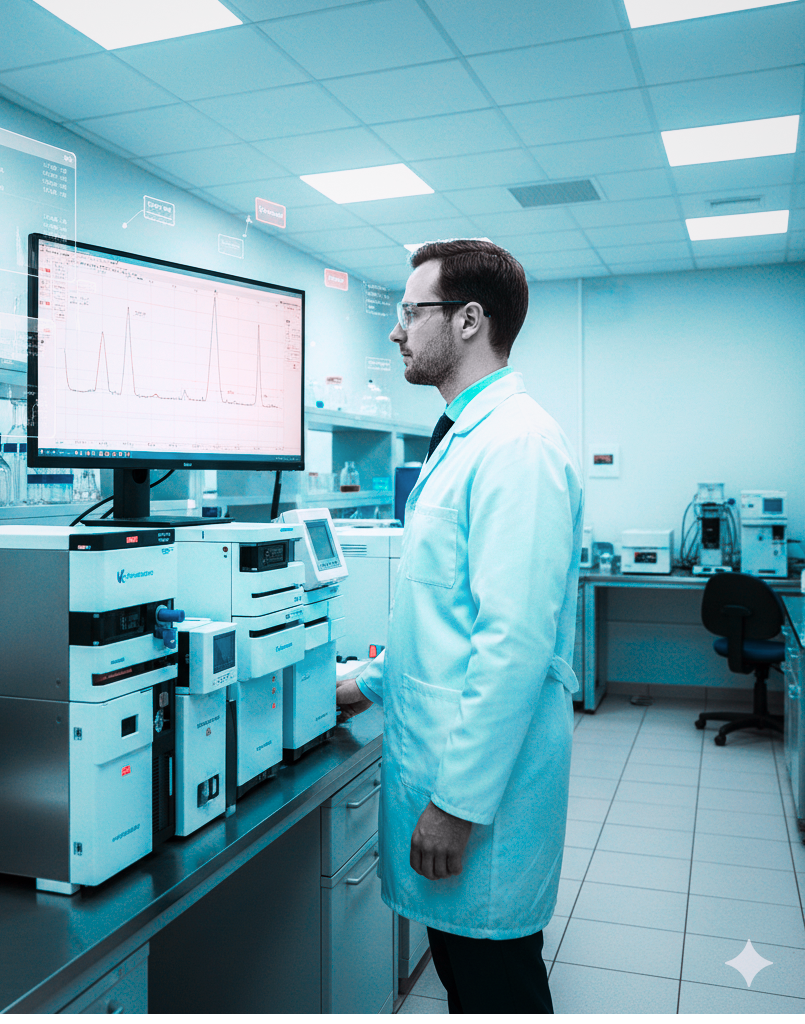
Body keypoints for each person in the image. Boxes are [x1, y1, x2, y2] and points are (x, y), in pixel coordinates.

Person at [336, 239, 583, 1014]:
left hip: (478, 803)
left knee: (496, 987)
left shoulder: (518, 445)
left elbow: (511, 645)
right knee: (471, 982)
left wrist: (457, 804)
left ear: (469, 319)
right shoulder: (467, 437)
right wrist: (364, 681)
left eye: (411, 311)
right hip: (451, 777)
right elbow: (442, 619)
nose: (396, 330)